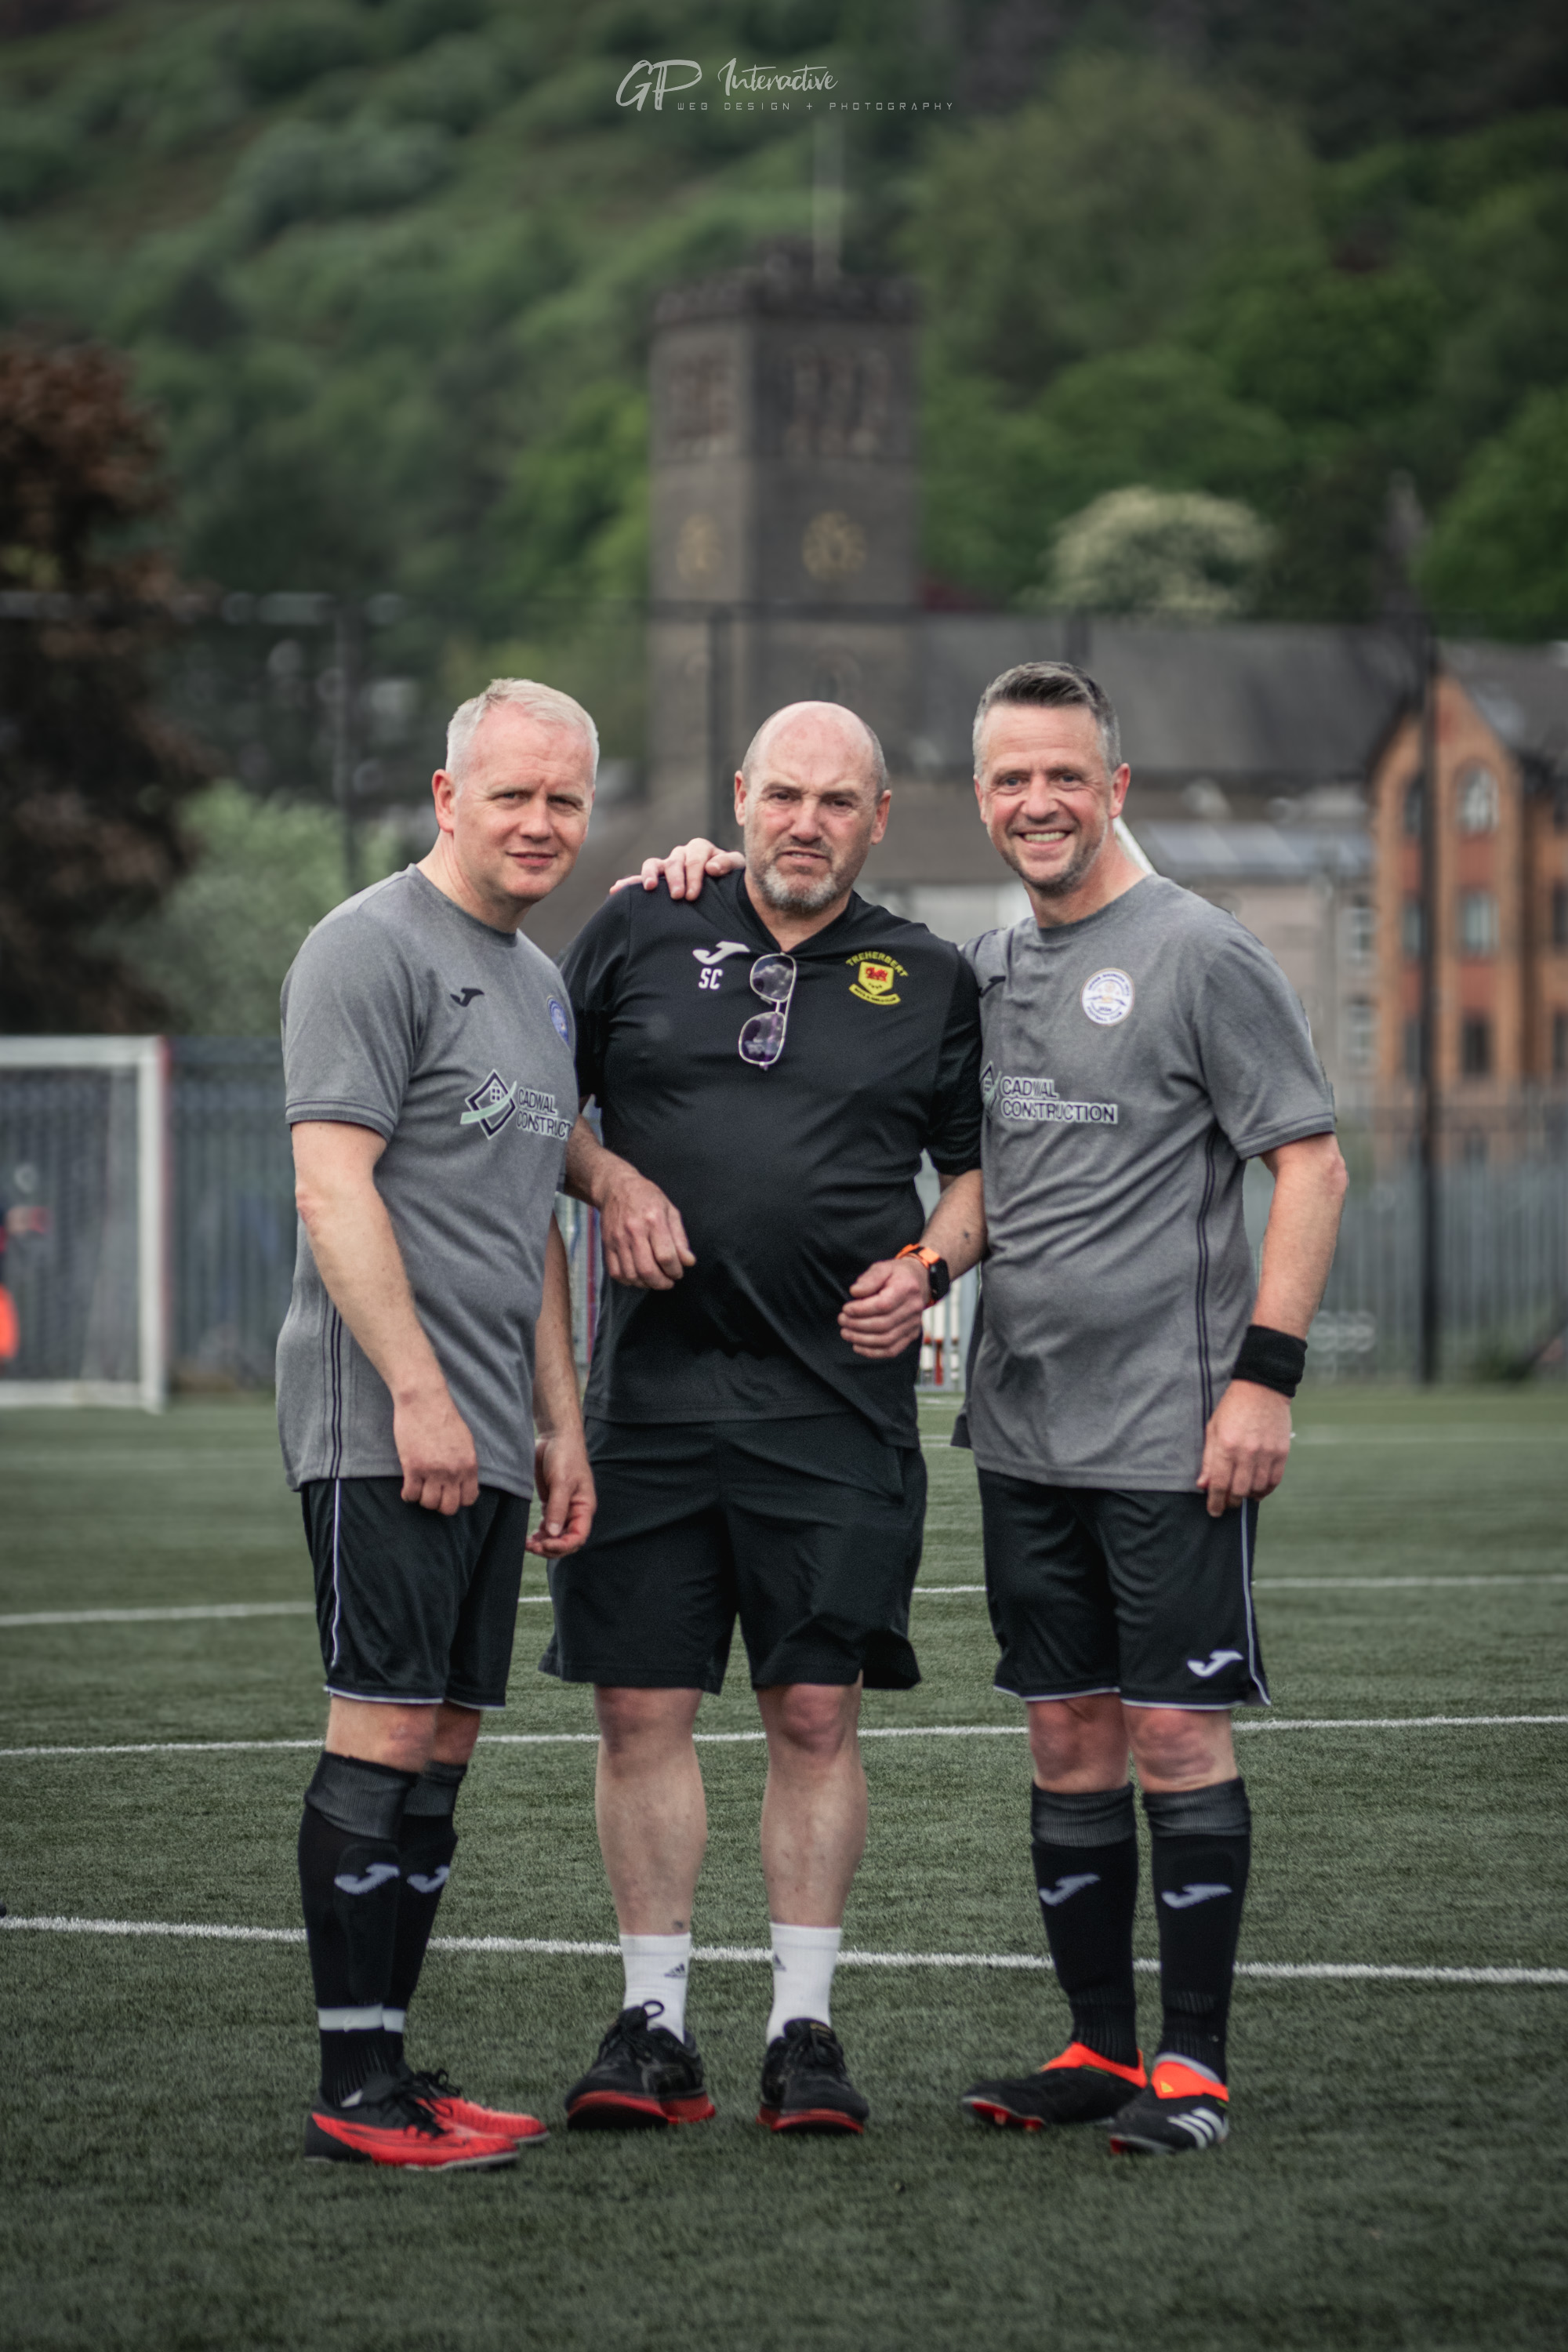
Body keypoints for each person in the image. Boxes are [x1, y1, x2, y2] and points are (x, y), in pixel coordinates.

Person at [624, 658, 1348, 2160]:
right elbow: (973, 1183)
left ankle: (1194, 2070)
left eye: (1063, 777)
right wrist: (693, 876)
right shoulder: (983, 971)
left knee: (1175, 1741)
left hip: (1175, 1427)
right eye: (1010, 779)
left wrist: (1264, 1380)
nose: (1036, 803)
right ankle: (1098, 2043)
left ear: (1115, 787)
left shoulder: (1203, 955)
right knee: (1067, 1741)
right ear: (975, 795)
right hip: (1020, 1430)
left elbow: (1312, 1163)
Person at [546, 699, 985, 2136]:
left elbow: (980, 1176)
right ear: (738, 797)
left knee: (813, 1709)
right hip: (652, 1403)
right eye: (783, 794)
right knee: (639, 1709)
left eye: (837, 801)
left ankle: (804, 2030)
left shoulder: (932, 975)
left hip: (835, 1409)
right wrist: (611, 1183)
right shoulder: (634, 927)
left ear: (878, 817)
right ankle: (654, 2025)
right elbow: (532, 1109)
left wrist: (927, 1268)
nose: (806, 822)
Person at [276, 677, 597, 2170]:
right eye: (515, 794)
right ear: (446, 794)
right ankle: (354, 2092)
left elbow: (530, 1224)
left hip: (487, 1436)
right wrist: (414, 1388)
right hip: (381, 1418)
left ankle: (394, 2065)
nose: (541, 823)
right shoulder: (366, 946)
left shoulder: (536, 982)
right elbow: (332, 1188)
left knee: (447, 1745)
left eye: (566, 801)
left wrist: (556, 1425)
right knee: (385, 1726)